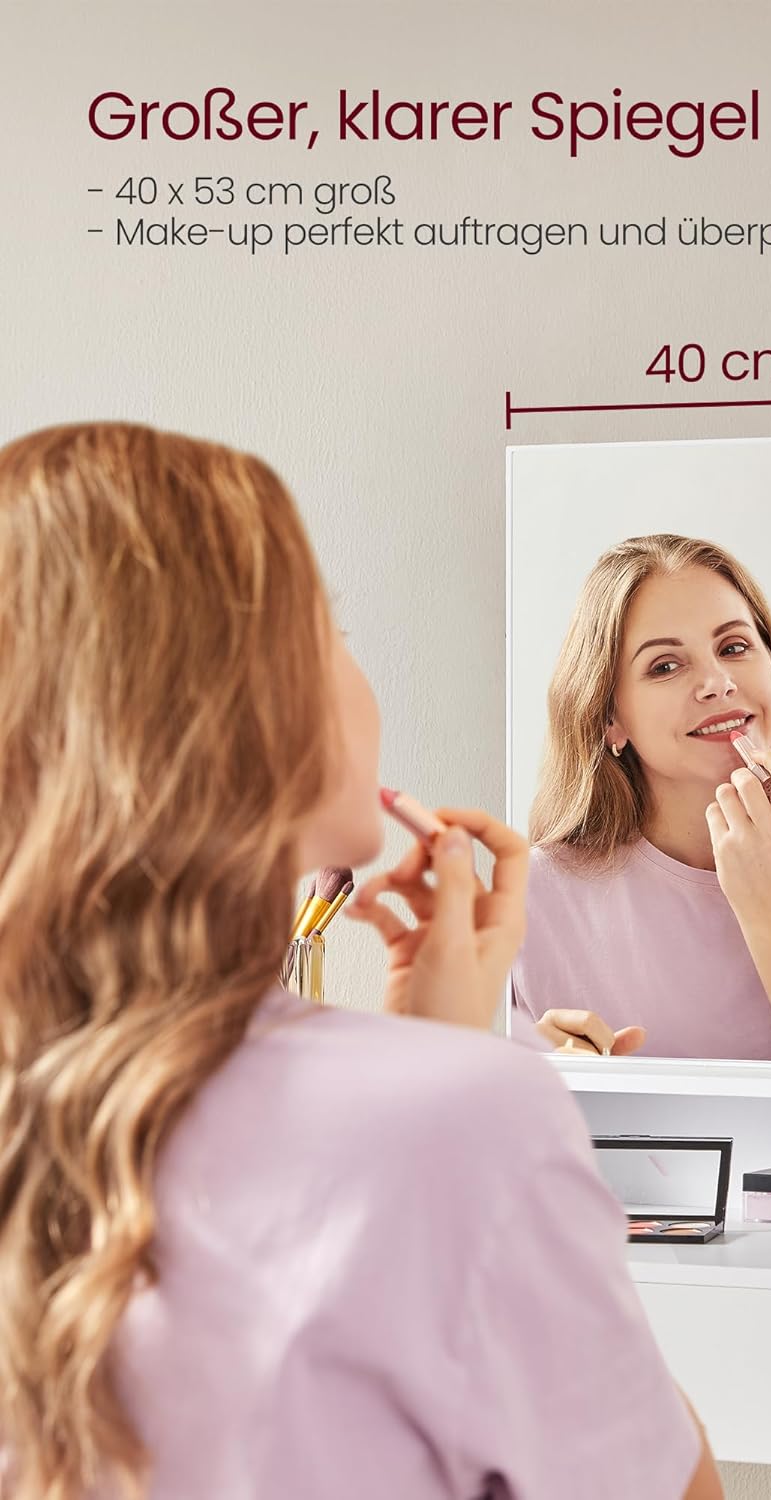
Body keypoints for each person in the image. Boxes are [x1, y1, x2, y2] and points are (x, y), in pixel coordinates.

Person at [0, 425, 722, 1500]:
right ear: (241, 713)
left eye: (736, 645)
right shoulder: (467, 1118)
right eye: (328, 629)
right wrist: (440, 1079)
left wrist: (426, 1057)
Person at [512, 533, 771, 1065]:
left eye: (734, 647)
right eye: (664, 665)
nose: (717, 682)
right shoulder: (527, 900)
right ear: (610, 717)